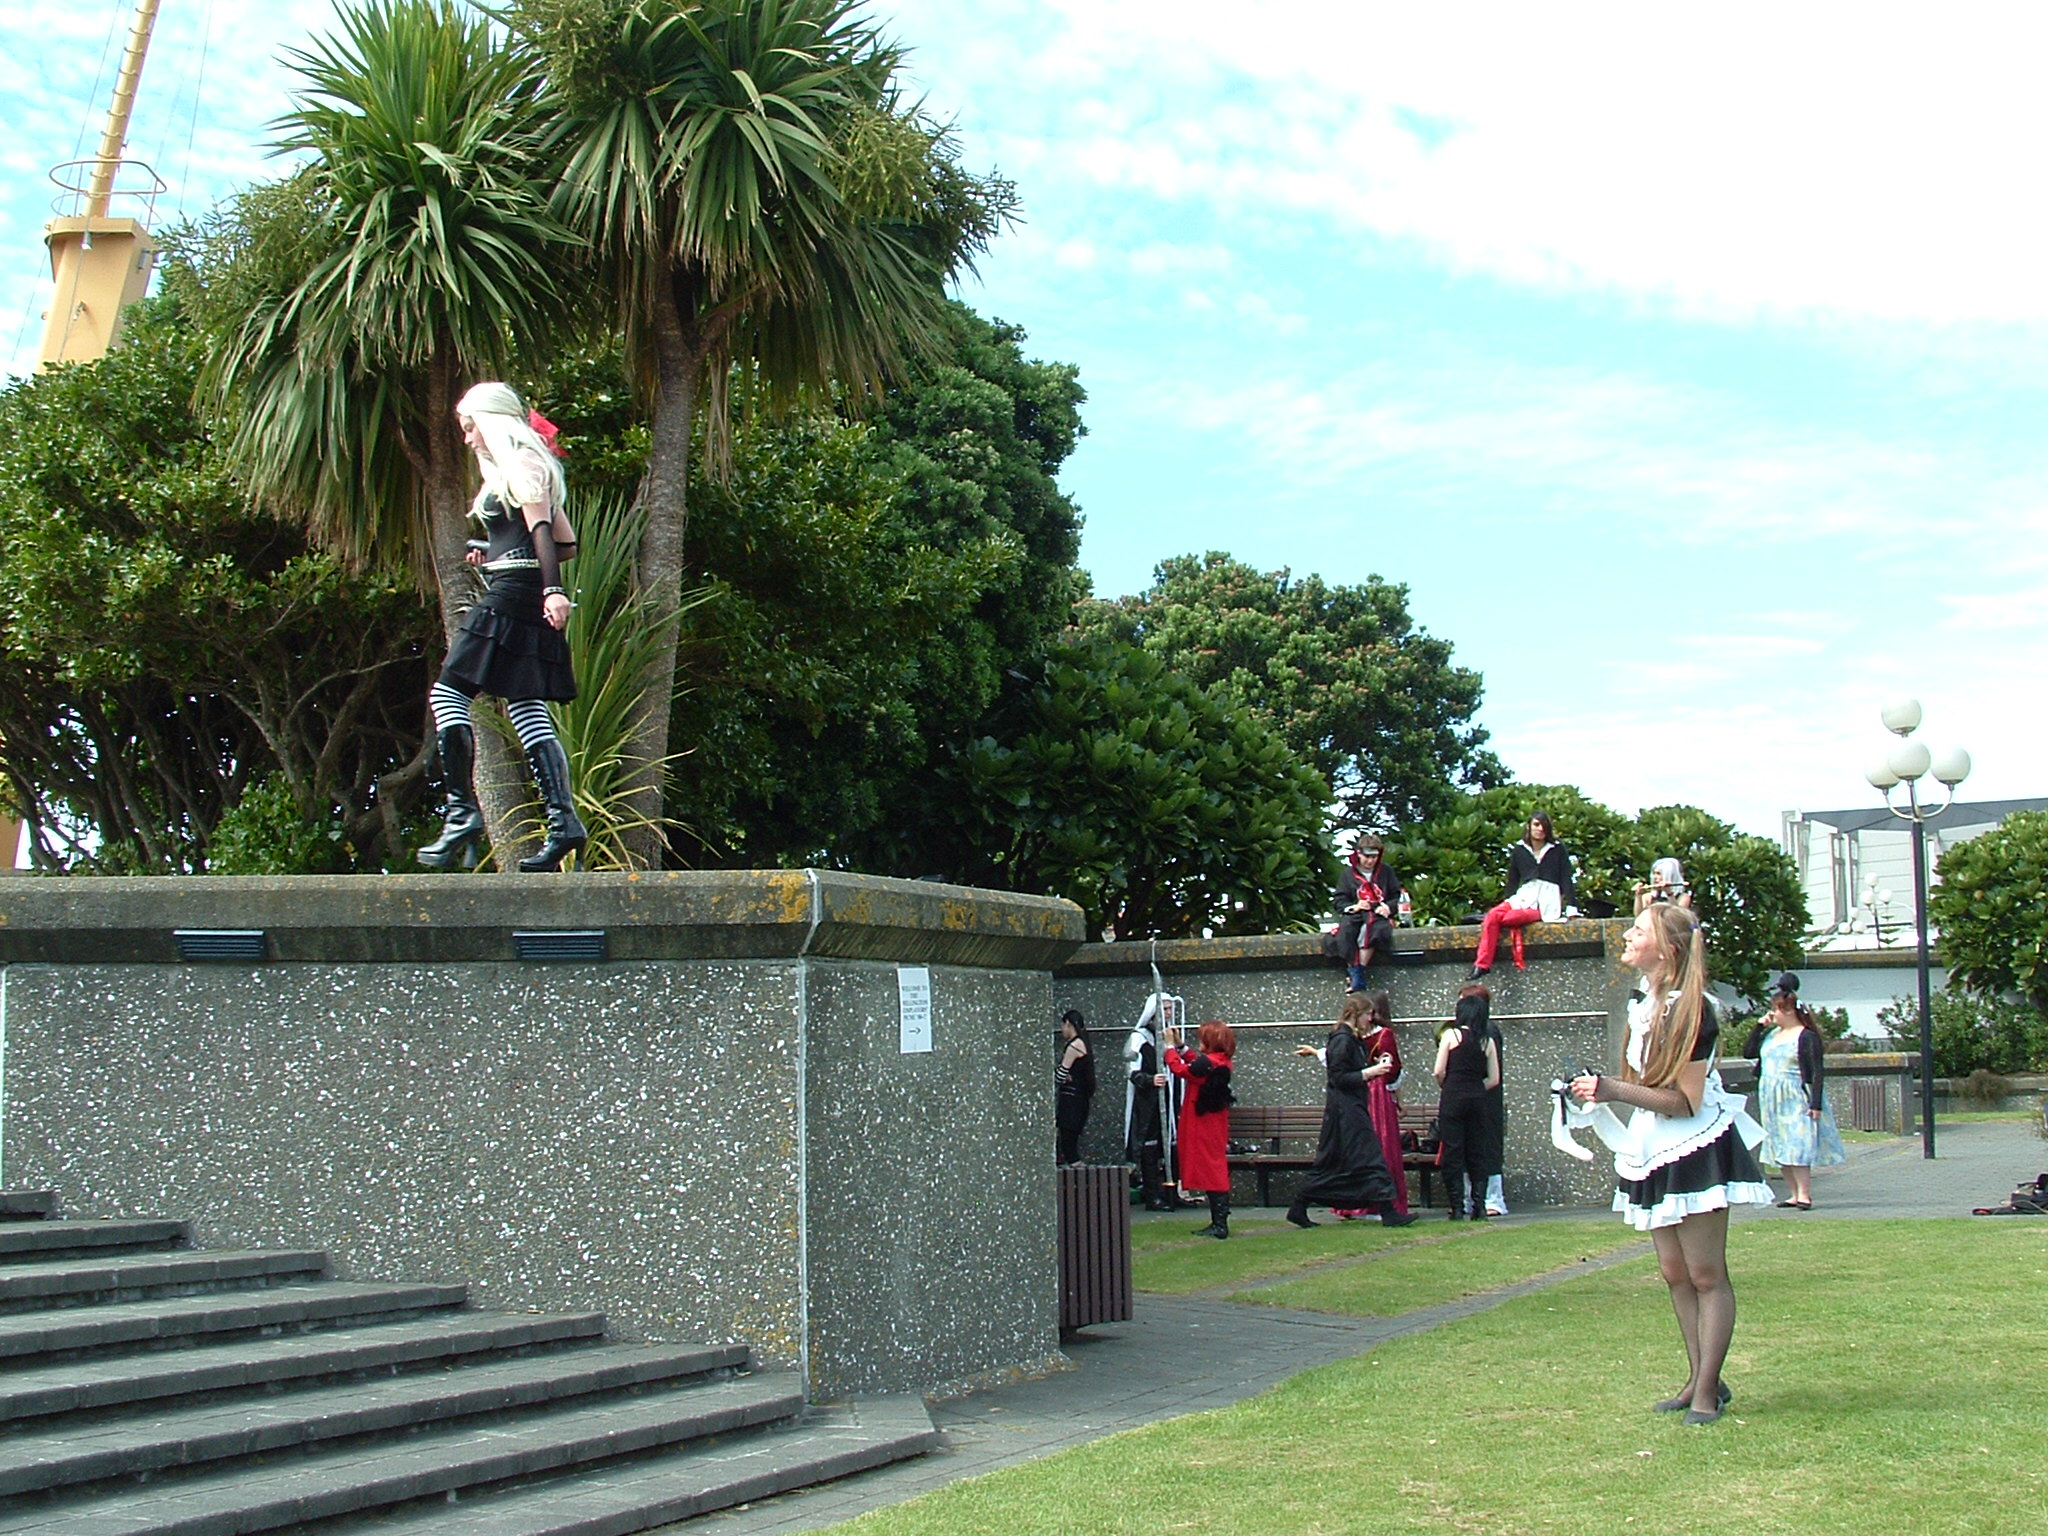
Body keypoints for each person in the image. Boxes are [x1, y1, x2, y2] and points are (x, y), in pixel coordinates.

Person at [1568, 904, 1775, 1425]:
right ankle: (1699, 1378)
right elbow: (1643, 1086)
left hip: (1695, 1145)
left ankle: (1706, 1392)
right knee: (1675, 1272)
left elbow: (1685, 1102)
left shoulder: (1693, 1009)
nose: (1628, 936)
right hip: (1655, 1145)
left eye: (1639, 930)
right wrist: (1598, 1093)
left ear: (1667, 949)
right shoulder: (1647, 1003)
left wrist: (1612, 1090)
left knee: (1706, 1273)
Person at [418, 382, 588, 873]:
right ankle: (564, 823)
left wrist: (553, 591)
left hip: (513, 596)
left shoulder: (523, 464)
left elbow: (544, 534)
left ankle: (461, 814)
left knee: (447, 694)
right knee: (525, 705)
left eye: (470, 427)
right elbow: (566, 543)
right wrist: (492, 553)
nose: (467, 438)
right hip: (516, 587)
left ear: (490, 422)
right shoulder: (521, 467)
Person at [1287, 993, 1418, 1228]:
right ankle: (1388, 1212)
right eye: (1367, 1014)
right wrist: (1371, 1072)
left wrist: (1371, 1069)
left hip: (1347, 1108)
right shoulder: (1343, 1040)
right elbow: (1338, 1077)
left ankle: (1300, 1206)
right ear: (1356, 1014)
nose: (1370, 1019)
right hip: (1346, 1110)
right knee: (1369, 1157)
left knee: (1342, 1161)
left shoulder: (1347, 1039)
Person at [1741, 974, 1844, 1209]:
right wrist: (1759, 1027)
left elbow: (1817, 1071)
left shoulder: (1806, 1036)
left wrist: (1815, 1103)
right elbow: (1749, 1052)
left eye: (1776, 1010)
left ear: (1788, 1011)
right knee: (1779, 1144)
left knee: (1797, 1143)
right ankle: (1793, 1193)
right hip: (1771, 1096)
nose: (1773, 1014)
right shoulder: (1772, 1035)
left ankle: (1805, 1193)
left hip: (1794, 1095)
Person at [1469, 813, 1575, 979]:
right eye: (1536, 825)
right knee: (1493, 915)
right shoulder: (1519, 849)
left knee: (1510, 919)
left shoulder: (1557, 848)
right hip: (1524, 895)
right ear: (1529, 826)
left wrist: (1571, 907)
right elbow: (1513, 879)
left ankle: (1486, 921)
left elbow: (1566, 878)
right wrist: (1506, 900)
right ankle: (1482, 965)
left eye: (1544, 826)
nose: (1540, 829)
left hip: (1545, 900)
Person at [1433, 986, 1502, 1219]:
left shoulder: (1451, 1036)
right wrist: (1477, 1088)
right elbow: (1494, 1079)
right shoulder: (1487, 1041)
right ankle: (1479, 1205)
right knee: (1477, 1151)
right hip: (1478, 1098)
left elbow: (1438, 1070)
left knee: (1453, 1151)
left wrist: (1448, 1085)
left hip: (1453, 1096)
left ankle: (1457, 1206)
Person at [1166, 1020, 1237, 1239]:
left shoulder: (1209, 1063)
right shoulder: (1220, 1061)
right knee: (1214, 1164)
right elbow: (1196, 1065)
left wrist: (1169, 1048)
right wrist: (1180, 1046)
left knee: (1212, 1167)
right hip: (1213, 1120)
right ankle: (1219, 1220)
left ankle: (1219, 1224)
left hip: (1202, 1121)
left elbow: (1181, 1069)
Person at [1123, 1010, 1187, 1210]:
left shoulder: (1169, 1035)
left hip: (1169, 1100)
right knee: (1149, 1148)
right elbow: (1131, 1069)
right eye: (1164, 1009)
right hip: (1148, 1103)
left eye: (1169, 1009)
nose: (1168, 1013)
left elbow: (1183, 1061)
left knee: (1171, 1147)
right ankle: (1153, 1196)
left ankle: (1172, 1193)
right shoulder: (1139, 1038)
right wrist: (1150, 1080)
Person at [1335, 835, 1402, 993]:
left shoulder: (1386, 872)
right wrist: (1355, 906)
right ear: (1358, 853)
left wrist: (1387, 908)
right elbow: (1339, 901)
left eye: (1374, 857)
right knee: (1346, 932)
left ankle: (1357, 973)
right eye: (1367, 856)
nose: (1370, 861)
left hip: (1378, 915)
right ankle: (1354, 971)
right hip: (1356, 915)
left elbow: (1396, 896)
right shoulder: (1348, 874)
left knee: (1374, 931)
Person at [1055, 1009, 1096, 1165]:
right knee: (1070, 1140)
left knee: (1068, 1142)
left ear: (1068, 1023)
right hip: (1080, 1098)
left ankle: (1077, 1168)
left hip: (1070, 1099)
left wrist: (1058, 1073)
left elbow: (1060, 1074)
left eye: (1062, 1025)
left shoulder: (1074, 1046)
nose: (1062, 1030)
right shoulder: (1084, 1043)